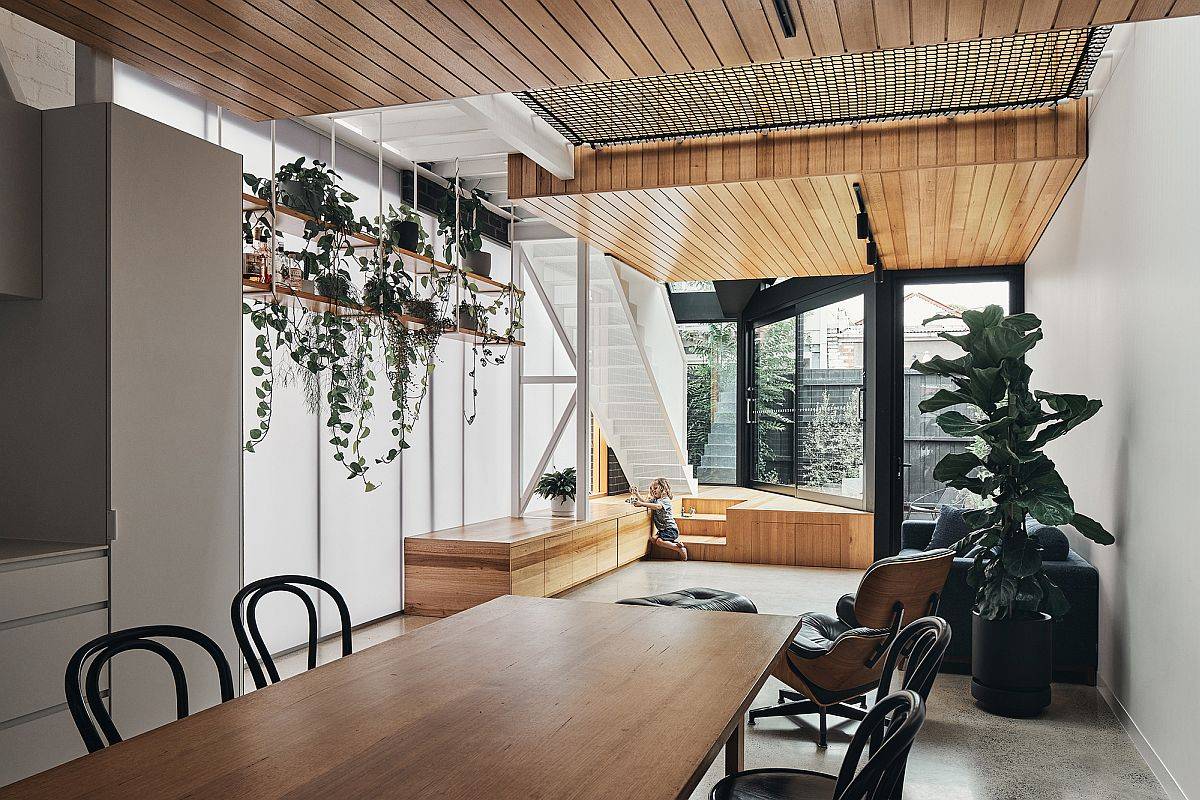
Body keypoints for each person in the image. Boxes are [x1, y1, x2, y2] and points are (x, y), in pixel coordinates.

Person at [631, 477, 688, 560]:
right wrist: (637, 494)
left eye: (655, 488)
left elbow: (658, 506)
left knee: (658, 541)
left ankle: (679, 548)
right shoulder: (655, 500)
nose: (653, 490)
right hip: (662, 530)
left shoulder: (665, 500)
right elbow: (645, 502)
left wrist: (642, 504)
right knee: (653, 539)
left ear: (663, 489)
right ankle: (676, 543)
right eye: (652, 489)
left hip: (670, 530)